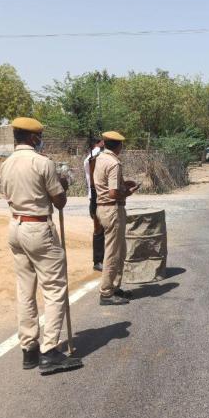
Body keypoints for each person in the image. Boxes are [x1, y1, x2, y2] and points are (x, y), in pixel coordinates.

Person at [0, 117, 83, 375]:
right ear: (34, 137)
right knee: (55, 287)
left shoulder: (5, 164)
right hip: (38, 228)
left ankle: (29, 349)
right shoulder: (42, 163)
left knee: (25, 289)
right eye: (39, 136)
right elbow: (59, 202)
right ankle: (50, 352)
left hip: (15, 226)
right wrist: (63, 186)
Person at [93, 130, 139, 306]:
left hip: (103, 208)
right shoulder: (114, 163)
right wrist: (127, 192)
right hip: (112, 209)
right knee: (113, 252)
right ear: (119, 145)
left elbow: (106, 185)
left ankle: (113, 287)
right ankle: (106, 292)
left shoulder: (101, 158)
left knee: (119, 251)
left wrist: (122, 184)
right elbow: (113, 193)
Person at [83, 137, 105, 271]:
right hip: (95, 197)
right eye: (101, 142)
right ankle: (98, 261)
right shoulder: (90, 159)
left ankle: (105, 258)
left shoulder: (98, 157)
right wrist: (99, 147)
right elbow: (94, 155)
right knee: (98, 230)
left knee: (104, 230)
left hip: (101, 198)